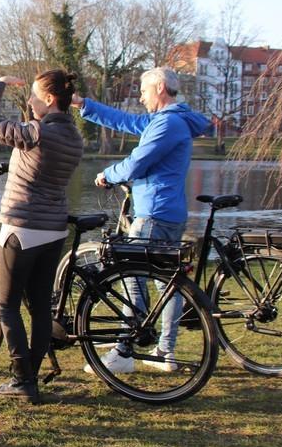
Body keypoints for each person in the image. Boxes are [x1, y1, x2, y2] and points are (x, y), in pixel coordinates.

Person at [72, 66, 209, 373]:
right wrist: (84, 105)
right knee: (167, 285)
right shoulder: (168, 121)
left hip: (153, 214)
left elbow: (138, 162)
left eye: (145, 91)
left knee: (132, 277)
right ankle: (165, 351)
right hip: (169, 212)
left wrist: (107, 175)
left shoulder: (168, 124)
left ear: (160, 88)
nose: (141, 96)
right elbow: (126, 121)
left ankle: (123, 351)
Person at [0, 70, 83, 403]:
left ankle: (22, 381)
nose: (29, 102)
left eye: (34, 96)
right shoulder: (75, 137)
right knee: (38, 307)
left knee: (6, 306)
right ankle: (31, 376)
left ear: (49, 100)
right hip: (53, 231)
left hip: (21, 228)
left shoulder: (37, 132)